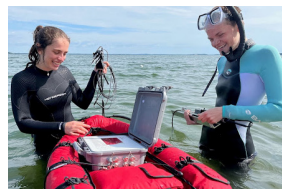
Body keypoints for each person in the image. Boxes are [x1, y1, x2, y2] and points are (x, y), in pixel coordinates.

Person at [184, 6, 282, 168]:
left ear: (239, 26)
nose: (215, 43)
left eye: (220, 35)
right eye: (210, 39)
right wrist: (203, 118)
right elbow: (224, 106)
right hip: (206, 145)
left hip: (236, 154)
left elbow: (279, 110)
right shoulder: (222, 61)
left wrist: (223, 112)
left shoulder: (265, 54)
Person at [11, 25, 109, 157]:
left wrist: (95, 75)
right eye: (57, 52)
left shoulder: (64, 72)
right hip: (46, 148)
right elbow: (23, 123)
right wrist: (62, 127)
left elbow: (83, 102)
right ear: (40, 48)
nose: (62, 58)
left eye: (65, 53)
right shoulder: (22, 80)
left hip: (73, 141)